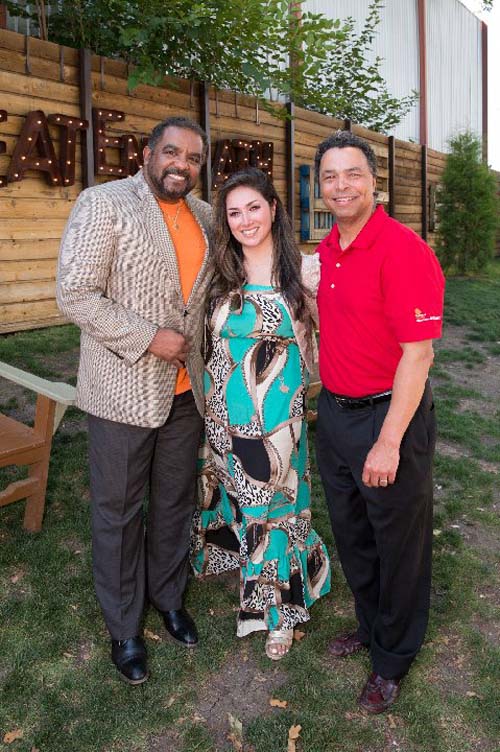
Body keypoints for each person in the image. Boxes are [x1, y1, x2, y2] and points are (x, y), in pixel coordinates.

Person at [57, 116, 212, 685]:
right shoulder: (104, 203)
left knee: (173, 502)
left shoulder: (207, 216)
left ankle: (168, 598)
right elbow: (75, 292)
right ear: (149, 154)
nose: (182, 165)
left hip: (184, 393)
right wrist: (148, 337)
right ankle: (123, 625)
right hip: (120, 390)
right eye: (172, 152)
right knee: (118, 513)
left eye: (193, 158)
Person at [314, 131, 445, 713]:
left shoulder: (403, 250)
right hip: (336, 416)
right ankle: (371, 627)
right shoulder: (326, 251)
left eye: (352, 174)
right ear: (320, 188)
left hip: (390, 417)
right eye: (330, 177)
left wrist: (389, 443)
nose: (341, 186)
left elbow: (419, 355)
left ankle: (392, 659)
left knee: (400, 545)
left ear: (374, 182)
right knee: (355, 536)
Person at [190, 167, 331, 660]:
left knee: (272, 504)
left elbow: (331, 336)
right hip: (223, 406)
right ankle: (245, 562)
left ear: (274, 209)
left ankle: (278, 612)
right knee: (237, 492)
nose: (245, 220)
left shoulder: (303, 273)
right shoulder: (219, 272)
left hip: (276, 412)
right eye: (234, 212)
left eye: (254, 207)